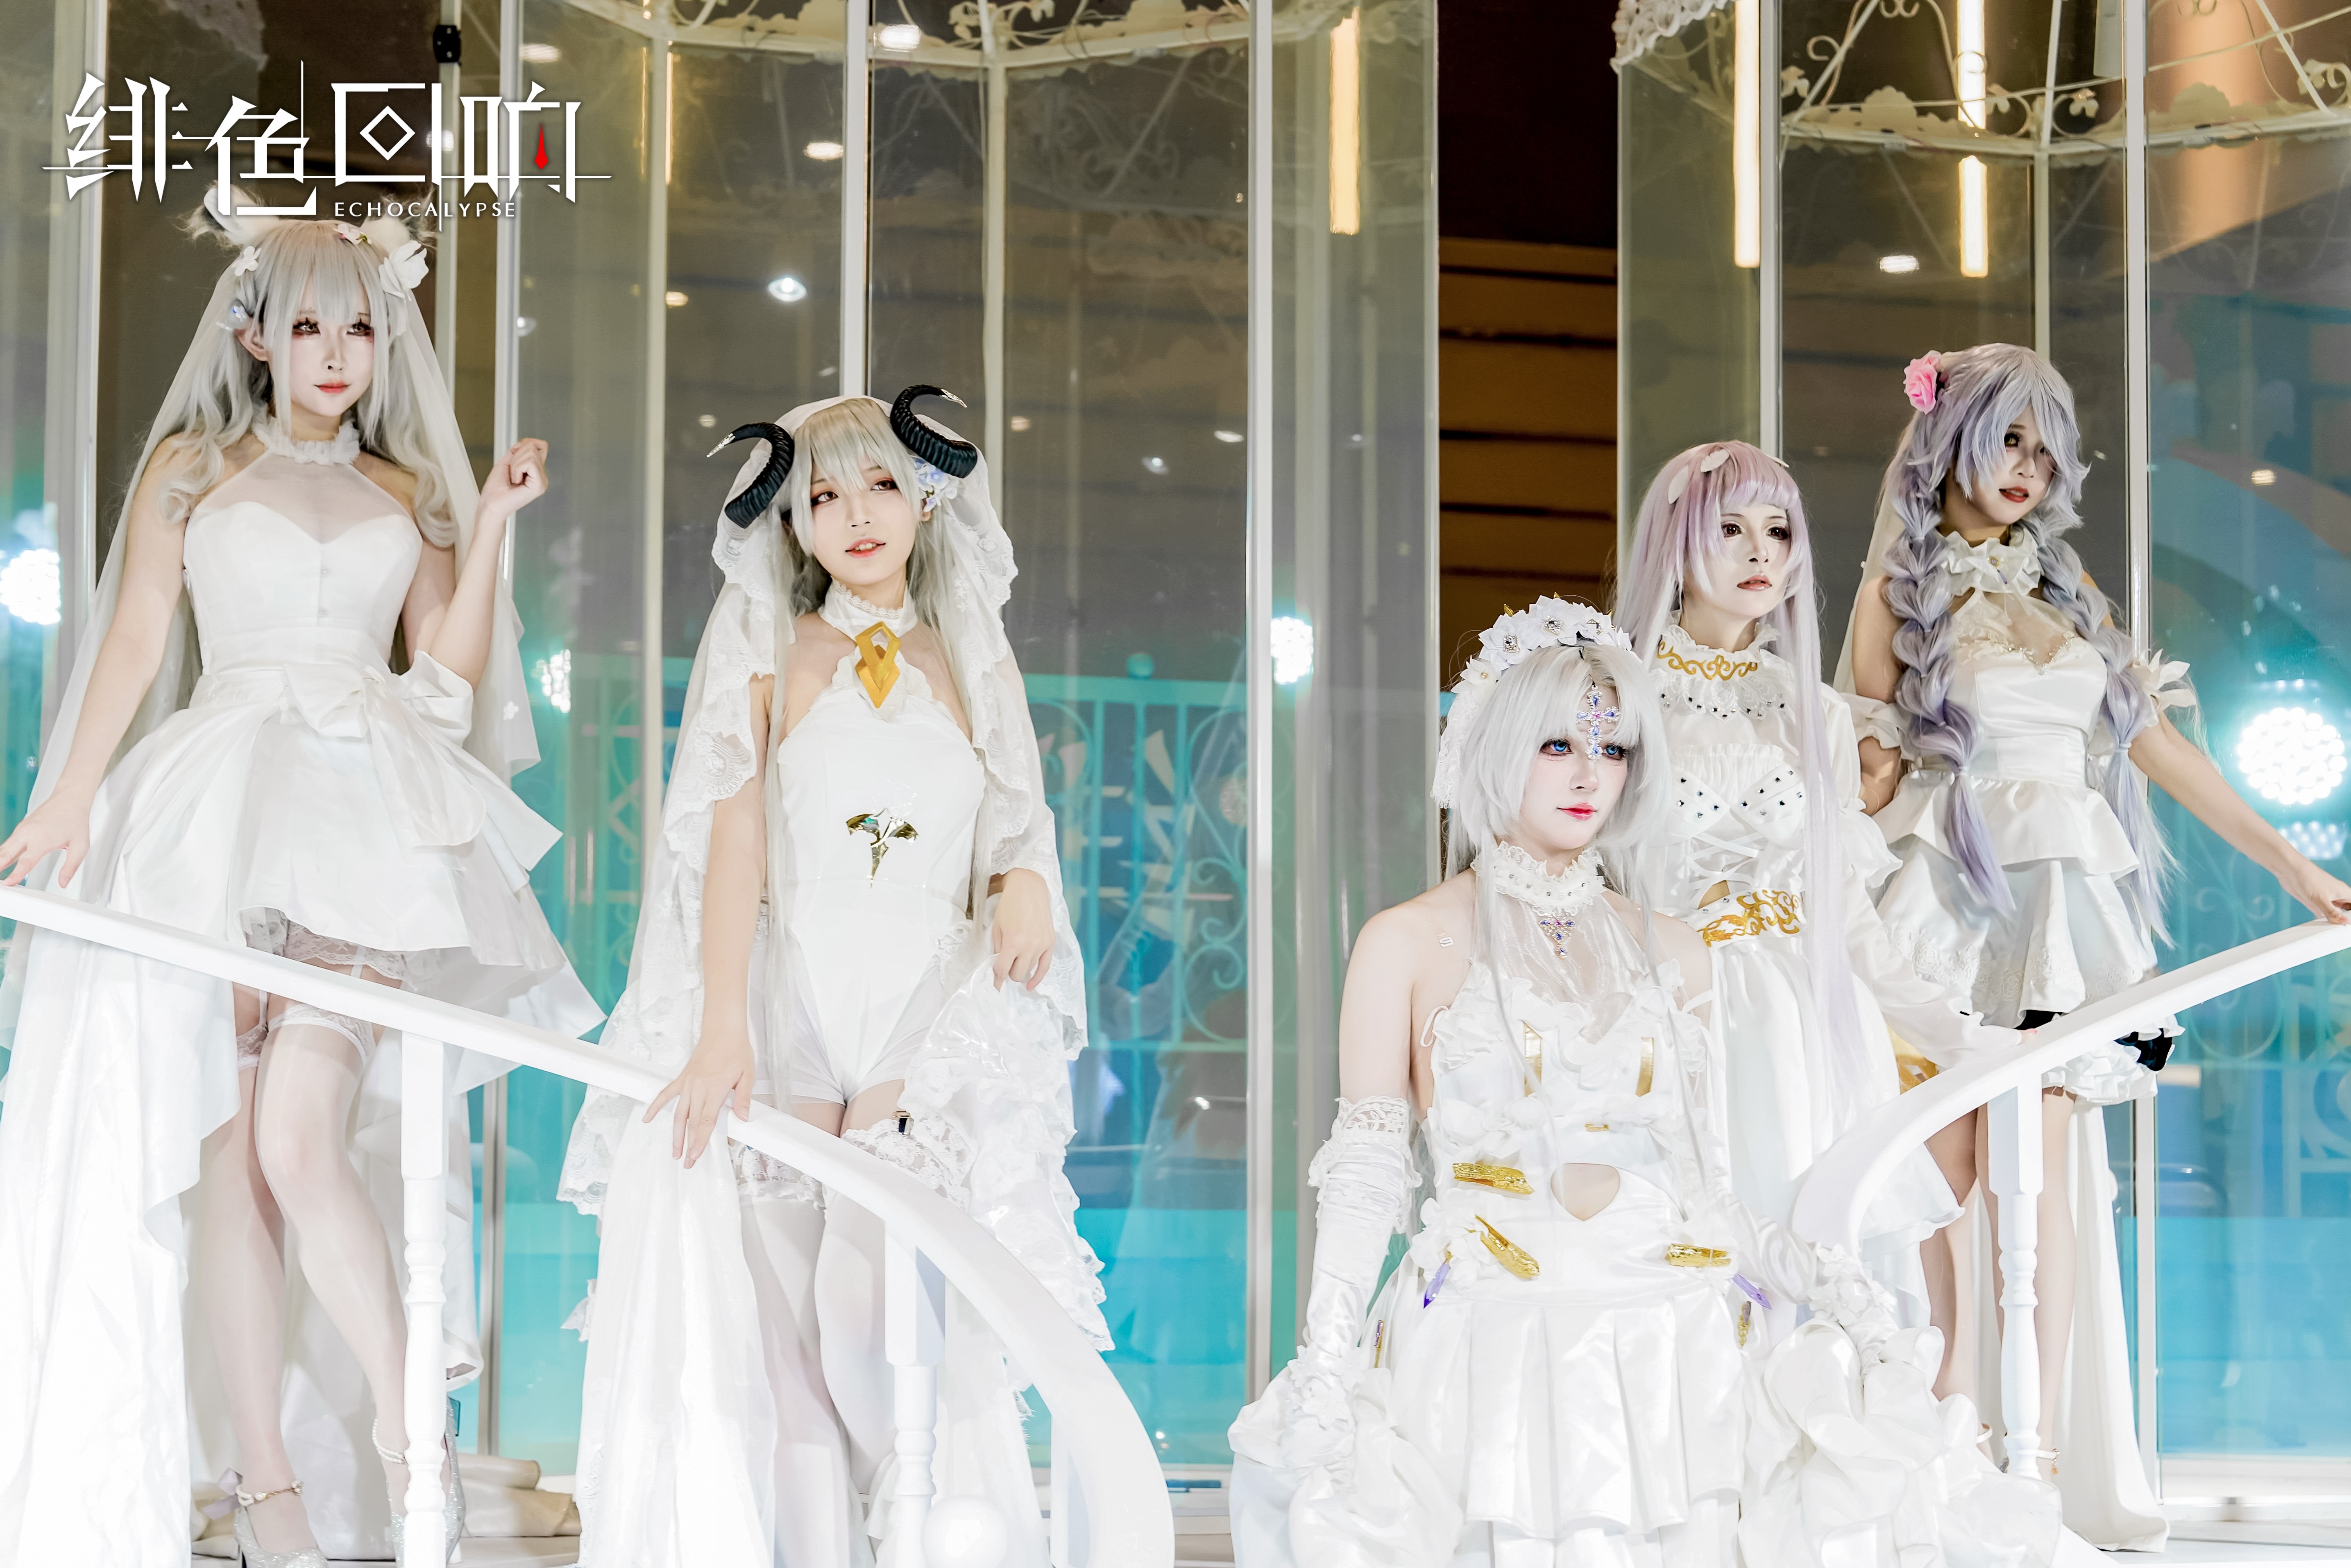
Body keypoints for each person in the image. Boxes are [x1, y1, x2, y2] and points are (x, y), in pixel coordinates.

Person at [0, 191, 597, 1567]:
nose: (338, 354)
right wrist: (69, 795)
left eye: (363, 329)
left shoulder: (406, 491)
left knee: (297, 1139)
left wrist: (490, 525)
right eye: (311, 327)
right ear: (256, 335)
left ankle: (408, 1443)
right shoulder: (190, 470)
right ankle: (268, 1493)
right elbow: (136, 640)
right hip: (211, 811)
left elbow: (443, 678)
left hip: (362, 814)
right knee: (233, 1157)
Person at [1229, 599, 2061, 1567]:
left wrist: (1837, 1286)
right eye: (1557, 744)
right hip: (1488, 1333)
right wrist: (1325, 1356)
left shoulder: (1673, 948)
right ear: (1492, 747)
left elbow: (1704, 1189)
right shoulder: (1404, 941)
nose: (1589, 773)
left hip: (1672, 1334)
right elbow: (1367, 1170)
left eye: (1613, 748)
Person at [558, 390, 1107, 1567]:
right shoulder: (770, 655)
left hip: (923, 1019)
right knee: (784, 1361)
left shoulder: (969, 656)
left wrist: (1023, 880)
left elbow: (1018, 816)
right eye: (822, 494)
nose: (855, 514)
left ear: (925, 501)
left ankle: (918, 1516)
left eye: (879, 486)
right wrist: (721, 1027)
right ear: (792, 522)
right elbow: (731, 850)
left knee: (864, 1314)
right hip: (787, 1010)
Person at [1839, 342, 2351, 1547]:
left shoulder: (2071, 597)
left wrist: (2288, 864)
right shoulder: (1895, 592)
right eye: (2006, 438)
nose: (2028, 466)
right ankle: (1951, 1433)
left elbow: (2158, 750)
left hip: (2068, 913)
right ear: (1950, 440)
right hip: (1951, 898)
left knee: (2054, 1171)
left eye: (2044, 445)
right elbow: (1864, 776)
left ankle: (2041, 1459)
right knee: (1952, 1179)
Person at [1612, 440, 2017, 1335]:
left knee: (1816, 1268)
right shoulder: (1620, 698)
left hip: (1809, 1022)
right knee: (1688, 1266)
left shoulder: (1815, 711)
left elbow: (1843, 914)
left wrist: (1950, 1032)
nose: (1760, 552)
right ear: (1675, 543)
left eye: (1778, 530)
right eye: (1729, 529)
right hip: (1673, 1011)